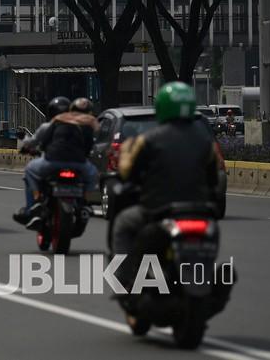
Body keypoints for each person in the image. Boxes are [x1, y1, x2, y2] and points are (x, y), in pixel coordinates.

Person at [111, 82, 221, 284]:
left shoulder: (148, 140)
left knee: (123, 224)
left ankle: (125, 283)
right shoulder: (207, 143)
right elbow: (214, 181)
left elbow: (130, 176)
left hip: (158, 211)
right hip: (200, 212)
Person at [13, 96, 99, 229]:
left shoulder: (55, 122)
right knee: (93, 174)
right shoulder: (88, 124)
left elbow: (41, 142)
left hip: (53, 161)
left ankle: (35, 202)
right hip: (79, 163)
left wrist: (30, 146)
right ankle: (85, 202)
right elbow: (91, 145)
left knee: (30, 170)